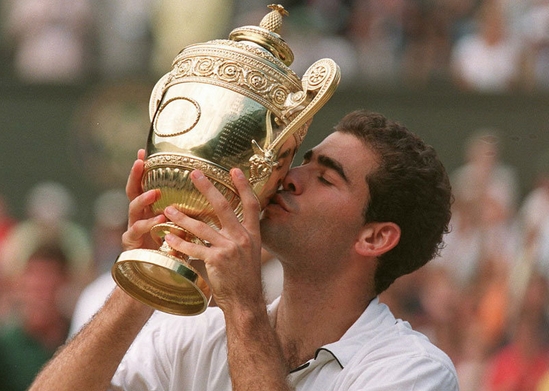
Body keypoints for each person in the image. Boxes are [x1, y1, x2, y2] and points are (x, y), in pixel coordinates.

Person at [29, 110, 458, 390]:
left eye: (326, 178)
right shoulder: (191, 338)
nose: (290, 176)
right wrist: (147, 275)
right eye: (304, 161)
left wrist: (243, 304)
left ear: (374, 238)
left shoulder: (412, 372)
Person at [0, 244, 71, 391]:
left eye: (49, 275)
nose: (40, 286)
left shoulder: (79, 331)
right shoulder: (6, 345)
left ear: (64, 280)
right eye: (33, 275)